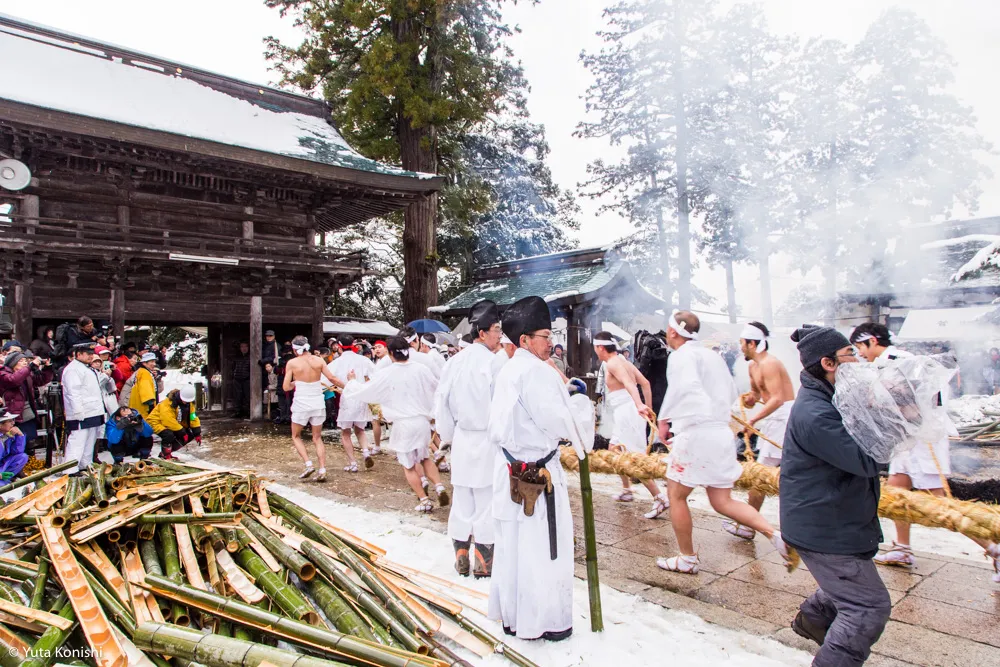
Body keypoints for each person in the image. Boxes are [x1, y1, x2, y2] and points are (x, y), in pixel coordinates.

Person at [850, 323, 1000, 580]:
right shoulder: (888, 362)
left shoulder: (901, 360)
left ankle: (994, 548)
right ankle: (903, 549)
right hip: (906, 441)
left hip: (922, 440)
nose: (859, 353)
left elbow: (927, 398)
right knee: (897, 494)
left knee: (940, 501)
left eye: (859, 347)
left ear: (872, 341)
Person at [781, 324, 891, 666]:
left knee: (846, 589)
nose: (857, 359)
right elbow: (866, 459)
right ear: (828, 363)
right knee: (866, 606)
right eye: (850, 354)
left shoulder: (832, 395)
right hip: (823, 527)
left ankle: (813, 618)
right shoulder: (815, 413)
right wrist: (899, 423)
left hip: (833, 517)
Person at [655, 310, 793, 574]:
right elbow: (729, 392)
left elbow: (685, 389)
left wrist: (665, 420)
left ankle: (687, 557)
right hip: (720, 433)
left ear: (673, 331)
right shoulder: (712, 355)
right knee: (722, 501)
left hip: (697, 431)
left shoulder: (682, 356)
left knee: (676, 495)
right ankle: (773, 534)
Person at [488, 296, 590, 642]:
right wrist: (580, 401)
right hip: (540, 477)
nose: (551, 342)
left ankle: (515, 618)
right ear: (525, 341)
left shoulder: (508, 370)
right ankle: (545, 622)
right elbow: (565, 425)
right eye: (545, 335)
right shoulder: (536, 372)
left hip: (512, 473)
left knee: (515, 548)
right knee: (541, 552)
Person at [341, 336, 449, 512]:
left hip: (403, 423)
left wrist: (352, 381)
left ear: (391, 353)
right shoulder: (421, 369)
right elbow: (436, 389)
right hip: (421, 421)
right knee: (424, 458)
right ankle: (439, 486)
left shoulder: (388, 373)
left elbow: (367, 391)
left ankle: (424, 499)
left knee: (408, 465)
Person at [435, 300, 502, 577]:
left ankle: (461, 556)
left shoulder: (455, 362)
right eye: (497, 330)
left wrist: (448, 436)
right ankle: (482, 562)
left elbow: (442, 403)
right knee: (486, 501)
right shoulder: (495, 363)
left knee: (463, 499)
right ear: (483, 333)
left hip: (462, 437)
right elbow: (501, 406)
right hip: (487, 439)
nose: (500, 335)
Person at [726, 321, 796, 541]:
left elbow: (776, 398)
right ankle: (748, 523)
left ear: (753, 343)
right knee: (763, 476)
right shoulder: (753, 366)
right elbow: (758, 395)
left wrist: (753, 420)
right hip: (772, 420)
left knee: (766, 475)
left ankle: (750, 524)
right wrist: (749, 400)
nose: (741, 347)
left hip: (784, 419)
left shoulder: (770, 364)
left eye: (743, 343)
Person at [593, 331, 668, 517]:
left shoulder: (613, 363)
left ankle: (660, 498)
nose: (595, 351)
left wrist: (640, 405)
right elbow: (646, 383)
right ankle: (627, 490)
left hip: (628, 412)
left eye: (595, 348)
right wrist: (647, 408)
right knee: (615, 449)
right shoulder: (623, 361)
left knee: (635, 459)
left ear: (601, 347)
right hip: (628, 411)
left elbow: (630, 384)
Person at [283, 335, 341, 481]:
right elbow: (332, 379)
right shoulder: (319, 360)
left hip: (301, 402)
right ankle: (322, 469)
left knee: (296, 436)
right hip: (317, 401)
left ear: (295, 350)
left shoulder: (292, 363)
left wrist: (296, 383)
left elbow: (285, 387)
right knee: (317, 437)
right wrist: (348, 387)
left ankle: (308, 464)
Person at [327, 333, 377, 472]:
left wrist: (344, 386)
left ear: (339, 346)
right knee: (360, 429)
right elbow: (375, 375)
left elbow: (328, 378)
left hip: (347, 397)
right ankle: (366, 452)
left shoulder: (337, 362)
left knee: (345, 432)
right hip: (360, 396)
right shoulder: (363, 360)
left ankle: (353, 463)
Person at [61, 342, 106, 472]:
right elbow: (73, 392)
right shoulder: (73, 369)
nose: (91, 357)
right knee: (77, 440)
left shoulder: (87, 368)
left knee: (90, 440)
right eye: (88, 354)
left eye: (92, 354)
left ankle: (85, 463)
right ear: (79, 354)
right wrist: (78, 411)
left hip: (93, 410)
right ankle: (70, 469)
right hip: (81, 411)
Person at [0, 352, 43, 445]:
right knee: (16, 443)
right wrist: (29, 367)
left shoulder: (26, 374)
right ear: (12, 363)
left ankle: (30, 458)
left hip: (28, 413)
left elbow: (40, 381)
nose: (25, 363)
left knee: (30, 442)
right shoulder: (3, 373)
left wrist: (48, 367)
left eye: (26, 361)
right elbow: (13, 380)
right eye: (21, 361)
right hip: (12, 415)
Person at [147, 385, 201, 460]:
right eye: (184, 400)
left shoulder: (189, 404)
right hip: (156, 422)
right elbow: (168, 420)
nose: (185, 402)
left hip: (172, 423)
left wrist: (197, 432)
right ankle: (165, 454)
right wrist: (182, 431)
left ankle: (168, 451)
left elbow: (192, 416)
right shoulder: (168, 403)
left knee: (189, 435)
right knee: (168, 435)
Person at [127, 352, 160, 419]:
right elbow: (147, 394)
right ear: (144, 363)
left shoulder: (142, 371)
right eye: (151, 362)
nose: (154, 364)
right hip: (144, 409)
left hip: (137, 407)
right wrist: (152, 408)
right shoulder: (144, 373)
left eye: (154, 362)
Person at [0, 412, 28, 485]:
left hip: (2, 465)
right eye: (9, 421)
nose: (13, 423)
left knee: (22, 457)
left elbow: (17, 451)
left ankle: (6, 478)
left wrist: (20, 435)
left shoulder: (7, 435)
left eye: (13, 420)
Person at [231, 342, 252, 419]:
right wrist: (234, 375)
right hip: (237, 379)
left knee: (248, 396)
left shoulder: (251, 356)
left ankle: (249, 412)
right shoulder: (237, 357)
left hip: (247, 379)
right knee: (237, 396)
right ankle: (238, 411)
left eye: (245, 346)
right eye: (242, 347)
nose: (244, 348)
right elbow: (233, 367)